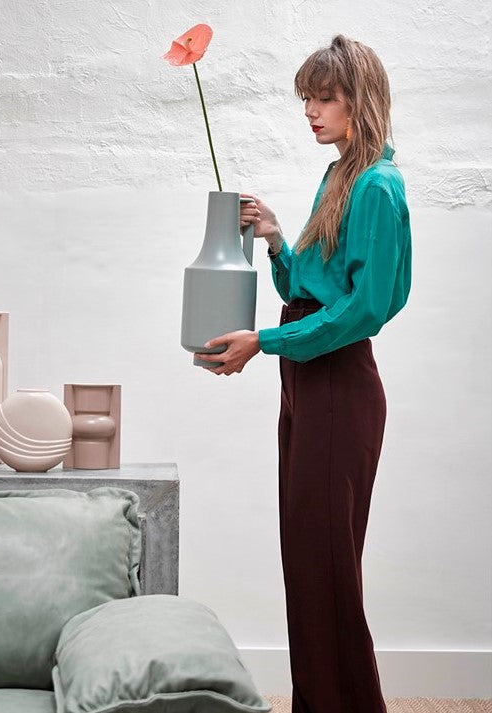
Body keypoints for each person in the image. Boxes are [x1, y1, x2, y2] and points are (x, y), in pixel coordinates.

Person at [195, 34, 411, 713]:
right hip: (307, 381)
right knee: (308, 562)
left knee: (327, 568)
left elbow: (360, 311)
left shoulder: (376, 184)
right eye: (306, 99)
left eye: (323, 97)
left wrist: (263, 339)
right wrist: (276, 240)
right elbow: (315, 286)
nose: (310, 111)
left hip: (339, 385)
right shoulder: (340, 172)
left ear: (359, 99)